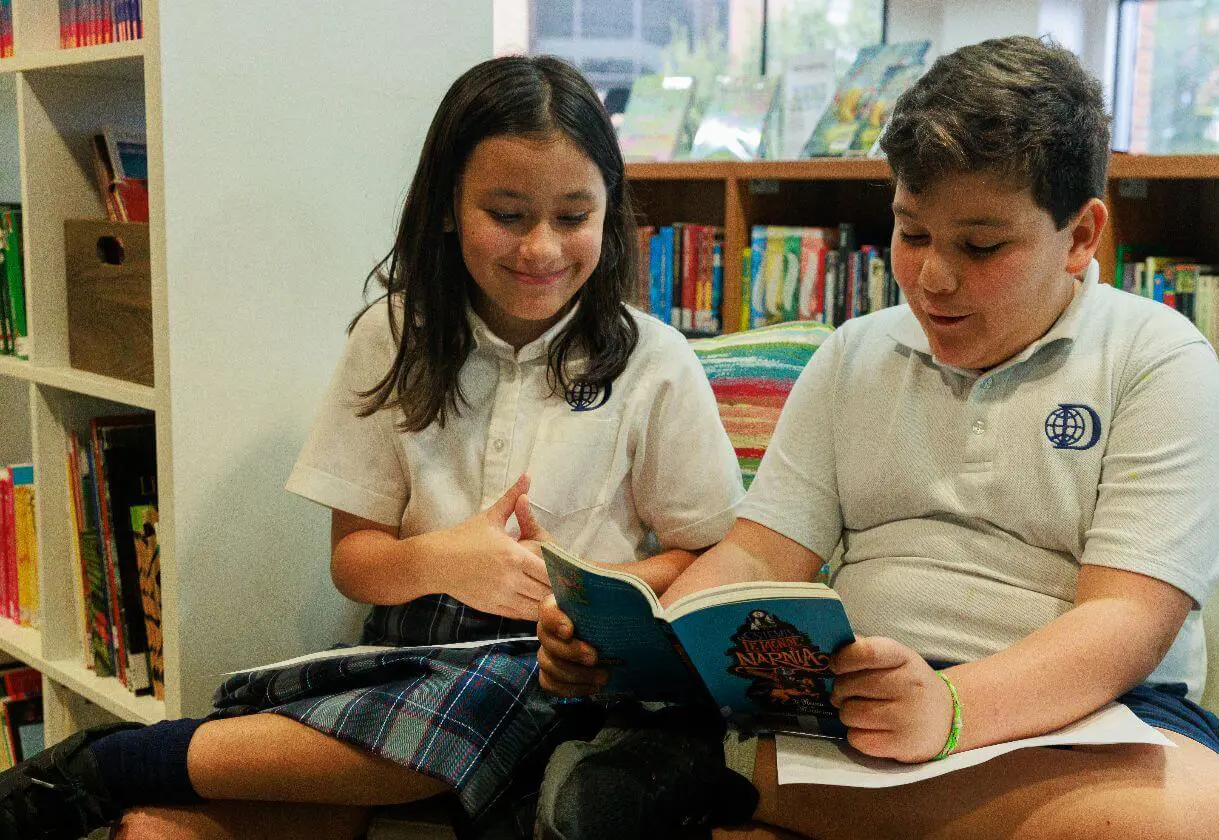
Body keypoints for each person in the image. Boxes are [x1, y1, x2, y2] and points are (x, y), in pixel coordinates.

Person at [534, 36, 1219, 840]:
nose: (932, 279)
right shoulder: (855, 354)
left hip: (1088, 715)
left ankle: (729, 780)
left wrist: (951, 710)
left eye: (981, 246)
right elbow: (761, 555)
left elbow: (1126, 620)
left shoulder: (1155, 360)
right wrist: (642, 643)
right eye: (912, 235)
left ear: (1082, 235)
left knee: (1207, 820)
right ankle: (734, 776)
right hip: (858, 699)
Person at [0, 54, 746, 840]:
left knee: (498, 696)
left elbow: (708, 554)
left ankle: (107, 763)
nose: (540, 249)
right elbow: (355, 561)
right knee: (157, 832)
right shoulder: (392, 335)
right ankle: (119, 778)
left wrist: (594, 593)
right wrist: (447, 561)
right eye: (507, 214)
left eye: (572, 217)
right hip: (406, 658)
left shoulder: (654, 361)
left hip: (561, 665)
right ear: (448, 206)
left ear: (610, 210)